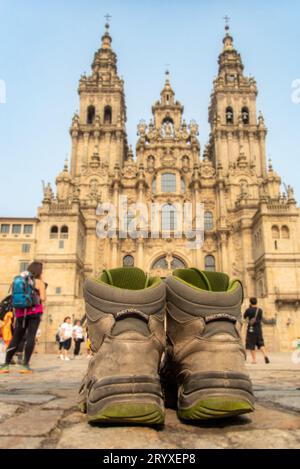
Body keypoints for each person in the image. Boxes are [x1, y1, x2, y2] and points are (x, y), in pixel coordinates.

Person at [0, 262, 46, 374]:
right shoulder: (39, 282)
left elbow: (14, 297)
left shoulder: (19, 280)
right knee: (31, 337)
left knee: (16, 337)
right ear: (39, 271)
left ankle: (5, 365)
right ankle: (25, 366)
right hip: (34, 312)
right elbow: (43, 298)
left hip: (20, 313)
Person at [244, 297, 270, 364]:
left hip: (251, 329)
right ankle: (265, 356)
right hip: (258, 329)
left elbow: (244, 316)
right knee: (261, 343)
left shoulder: (248, 310)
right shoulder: (260, 310)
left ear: (250, 302)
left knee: (251, 344)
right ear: (256, 302)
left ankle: (254, 360)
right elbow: (260, 318)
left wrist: (249, 308)